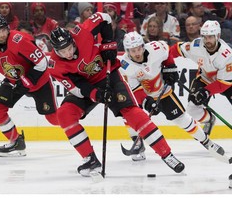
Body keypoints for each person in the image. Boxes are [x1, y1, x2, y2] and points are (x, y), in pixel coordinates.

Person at [48, 12, 185, 178]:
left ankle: (166, 154)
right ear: (55, 50)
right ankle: (90, 159)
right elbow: (77, 88)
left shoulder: (81, 33)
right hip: (86, 88)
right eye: (62, 52)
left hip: (108, 75)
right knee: (64, 114)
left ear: (72, 40)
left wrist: (108, 43)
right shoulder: (55, 65)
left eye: (69, 48)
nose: (68, 54)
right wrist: (95, 94)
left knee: (132, 113)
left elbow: (104, 17)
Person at [119, 31, 225, 161]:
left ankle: (208, 142)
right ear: (127, 51)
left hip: (163, 91)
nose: (137, 53)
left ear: (143, 45)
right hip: (142, 95)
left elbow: (167, 53)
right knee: (129, 114)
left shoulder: (156, 48)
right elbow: (135, 89)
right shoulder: (124, 65)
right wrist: (147, 102)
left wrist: (170, 68)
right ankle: (138, 142)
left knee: (183, 119)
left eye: (139, 48)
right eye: (132, 50)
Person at [0, 14, 58, 157]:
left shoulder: (20, 39)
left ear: (8, 28)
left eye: (4, 30)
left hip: (39, 81)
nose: (2, 34)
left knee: (54, 119)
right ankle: (16, 141)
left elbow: (41, 63)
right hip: (14, 82)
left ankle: (77, 111)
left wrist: (27, 81)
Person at [170, 20, 232, 136]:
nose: (207, 40)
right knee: (192, 110)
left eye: (210, 37)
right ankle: (209, 120)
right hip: (205, 79)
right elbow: (176, 49)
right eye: (205, 37)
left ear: (218, 36)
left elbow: (223, 83)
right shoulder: (196, 45)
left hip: (228, 82)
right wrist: (165, 62)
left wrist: (206, 92)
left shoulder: (227, 55)